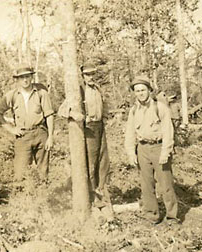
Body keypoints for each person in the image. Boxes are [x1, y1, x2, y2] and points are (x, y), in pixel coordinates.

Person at [124, 75, 179, 225]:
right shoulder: (134, 110)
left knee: (166, 184)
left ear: (149, 90)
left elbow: (168, 131)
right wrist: (130, 152)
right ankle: (152, 215)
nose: (140, 93)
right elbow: (129, 132)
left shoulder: (160, 107)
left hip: (159, 147)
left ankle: (172, 217)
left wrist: (165, 152)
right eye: (137, 91)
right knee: (146, 185)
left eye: (143, 90)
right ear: (134, 93)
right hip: (142, 149)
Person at [58, 62, 111, 206]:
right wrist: (75, 115)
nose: (91, 77)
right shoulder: (79, 90)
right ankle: (92, 195)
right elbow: (62, 111)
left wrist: (105, 118)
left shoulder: (97, 89)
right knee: (91, 162)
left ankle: (101, 190)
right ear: (82, 76)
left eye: (93, 73)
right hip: (88, 129)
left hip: (100, 127)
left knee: (104, 160)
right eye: (88, 74)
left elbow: (104, 106)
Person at [0, 65, 54, 183]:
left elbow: (49, 115)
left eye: (27, 76)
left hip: (40, 133)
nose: (25, 80)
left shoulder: (41, 93)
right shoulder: (12, 95)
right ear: (17, 80)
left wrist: (50, 137)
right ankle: (22, 197)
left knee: (43, 170)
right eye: (22, 78)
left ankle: (43, 196)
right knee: (20, 172)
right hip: (23, 136)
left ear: (32, 77)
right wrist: (12, 129)